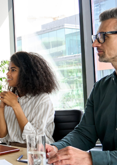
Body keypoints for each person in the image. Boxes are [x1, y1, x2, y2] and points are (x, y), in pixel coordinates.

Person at [46, 7, 117, 165]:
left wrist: (91, 158)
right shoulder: (100, 88)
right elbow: (85, 134)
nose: (94, 44)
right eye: (96, 37)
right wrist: (55, 148)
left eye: (102, 37)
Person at [0, 51, 58, 146]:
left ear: (26, 73)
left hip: (35, 154)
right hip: (12, 150)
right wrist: (1, 108)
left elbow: (35, 140)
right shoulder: (11, 97)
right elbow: (3, 137)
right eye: (8, 69)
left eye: (13, 70)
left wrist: (15, 105)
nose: (7, 74)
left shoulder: (42, 100)